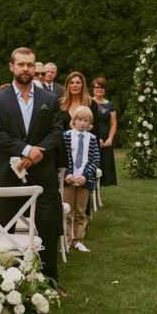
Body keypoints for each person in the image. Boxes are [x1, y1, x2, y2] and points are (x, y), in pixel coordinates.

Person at [0, 47, 69, 297]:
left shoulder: (49, 99)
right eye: (21, 64)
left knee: (48, 227)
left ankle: (49, 285)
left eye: (30, 65)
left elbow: (56, 131)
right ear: (11, 67)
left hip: (43, 176)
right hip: (8, 176)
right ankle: (5, 286)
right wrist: (25, 149)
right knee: (5, 231)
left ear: (35, 68)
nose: (26, 69)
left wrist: (36, 153)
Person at [62, 105, 100, 252]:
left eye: (86, 120)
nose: (83, 123)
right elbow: (62, 157)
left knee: (80, 211)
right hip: (69, 180)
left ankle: (79, 240)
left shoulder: (92, 139)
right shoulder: (66, 136)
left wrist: (86, 175)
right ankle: (66, 241)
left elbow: (96, 159)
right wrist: (67, 174)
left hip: (84, 180)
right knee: (67, 211)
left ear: (90, 123)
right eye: (80, 120)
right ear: (74, 120)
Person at [91, 77, 118, 187]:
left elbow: (113, 124)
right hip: (93, 138)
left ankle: (99, 196)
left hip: (106, 140)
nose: (99, 90)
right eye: (97, 87)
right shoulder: (89, 103)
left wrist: (110, 139)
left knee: (105, 167)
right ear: (93, 89)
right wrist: (98, 139)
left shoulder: (110, 105)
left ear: (105, 89)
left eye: (102, 87)